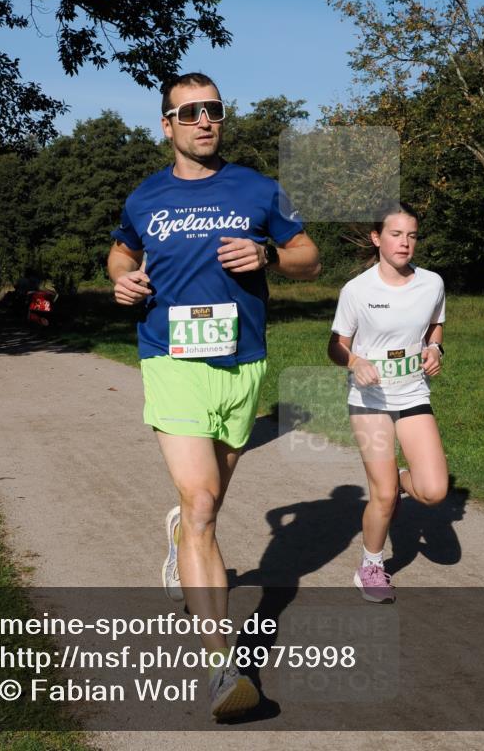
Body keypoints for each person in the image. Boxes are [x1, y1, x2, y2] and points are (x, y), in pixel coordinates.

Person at [108, 72, 321, 720]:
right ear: (167, 126)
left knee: (205, 506)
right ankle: (219, 666)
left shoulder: (257, 188)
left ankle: (181, 539)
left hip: (241, 363)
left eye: (214, 110)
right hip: (170, 359)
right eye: (189, 112)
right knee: (203, 504)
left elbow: (308, 257)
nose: (205, 121)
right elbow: (119, 253)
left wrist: (269, 257)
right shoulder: (146, 196)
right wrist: (124, 281)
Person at [327, 203, 448, 604]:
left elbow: (435, 325)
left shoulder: (431, 283)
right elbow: (335, 345)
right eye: (396, 234)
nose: (405, 243)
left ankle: (395, 477)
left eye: (412, 236)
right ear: (377, 238)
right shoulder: (357, 290)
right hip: (370, 399)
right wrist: (355, 361)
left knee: (433, 491)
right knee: (382, 494)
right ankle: (371, 567)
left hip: (413, 392)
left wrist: (435, 348)